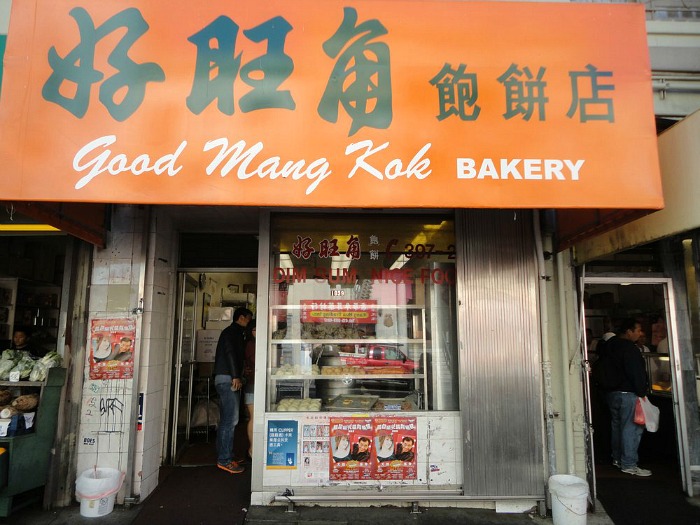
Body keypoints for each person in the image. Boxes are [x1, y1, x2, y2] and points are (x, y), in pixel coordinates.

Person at [604, 318, 651, 477]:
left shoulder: (609, 345)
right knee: (631, 429)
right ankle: (629, 463)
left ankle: (617, 459)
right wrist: (642, 392)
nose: (640, 333)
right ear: (628, 331)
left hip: (612, 393)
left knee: (617, 428)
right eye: (637, 330)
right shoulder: (630, 348)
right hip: (628, 394)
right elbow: (635, 371)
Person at [213, 307, 252, 474]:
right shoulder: (232, 332)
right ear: (242, 318)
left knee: (228, 420)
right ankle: (224, 459)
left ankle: (227, 455)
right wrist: (235, 376)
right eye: (249, 319)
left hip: (227, 378)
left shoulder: (234, 332)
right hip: (227, 379)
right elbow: (230, 353)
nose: (250, 322)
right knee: (230, 420)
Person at [242, 321, 256, 461]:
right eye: (254, 329)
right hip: (252, 385)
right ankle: (252, 449)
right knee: (254, 417)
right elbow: (254, 362)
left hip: (257, 384)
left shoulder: (258, 343)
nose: (258, 332)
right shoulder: (250, 345)